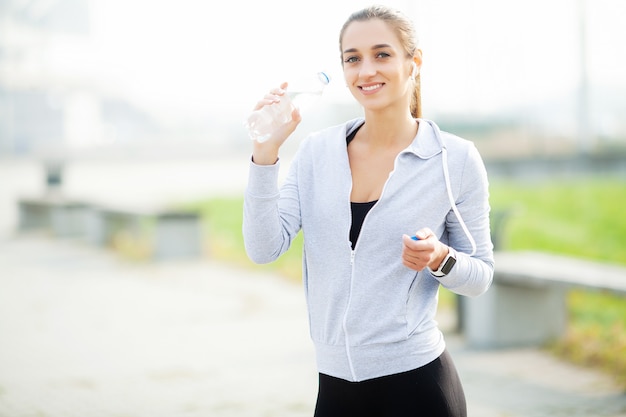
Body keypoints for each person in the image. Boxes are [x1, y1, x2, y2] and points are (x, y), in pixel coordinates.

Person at [242, 4, 494, 416]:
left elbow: (480, 276)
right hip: (335, 391)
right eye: (352, 59)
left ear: (413, 62)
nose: (366, 71)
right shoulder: (315, 153)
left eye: (382, 54)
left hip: (418, 389)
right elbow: (263, 248)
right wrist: (265, 153)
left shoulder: (454, 159)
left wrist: (440, 258)